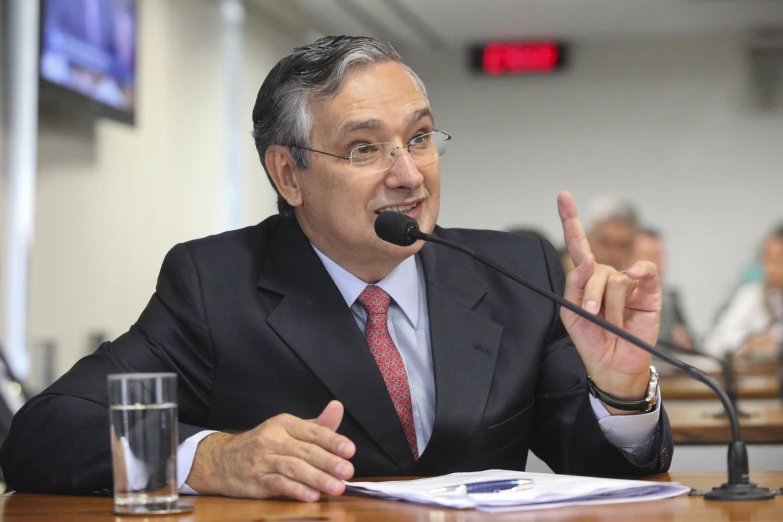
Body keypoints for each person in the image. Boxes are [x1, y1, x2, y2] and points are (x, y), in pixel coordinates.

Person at [0, 36, 671, 501]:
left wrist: (619, 393)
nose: (407, 174)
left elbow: (600, 471)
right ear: (289, 174)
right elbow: (43, 433)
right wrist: (209, 458)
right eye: (363, 150)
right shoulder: (214, 283)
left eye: (417, 138)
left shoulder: (514, 271)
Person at [703, 225, 783, 358]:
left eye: (778, 259)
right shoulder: (751, 294)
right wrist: (748, 343)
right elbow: (715, 342)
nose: (770, 268)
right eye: (766, 258)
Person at [634, 229, 693, 349]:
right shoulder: (626, 297)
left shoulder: (671, 295)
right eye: (650, 257)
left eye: (660, 257)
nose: (659, 266)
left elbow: (691, 345)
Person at [586, 195, 639, 271]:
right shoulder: (565, 278)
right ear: (588, 238)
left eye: (624, 246)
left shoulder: (639, 280)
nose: (614, 256)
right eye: (605, 243)